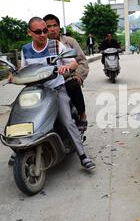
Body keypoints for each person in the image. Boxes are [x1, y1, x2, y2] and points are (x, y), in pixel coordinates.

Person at [20, 17, 95, 171]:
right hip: (35, 92)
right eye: (38, 31)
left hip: (56, 89)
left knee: (67, 120)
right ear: (29, 32)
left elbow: (73, 62)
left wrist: (66, 67)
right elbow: (23, 70)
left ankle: (82, 155)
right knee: (21, 113)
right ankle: (20, 149)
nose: (43, 34)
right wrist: (14, 75)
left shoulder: (56, 44)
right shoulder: (26, 49)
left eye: (45, 31)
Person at [43, 14, 88, 131]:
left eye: (55, 25)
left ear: (59, 27)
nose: (52, 29)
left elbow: (82, 61)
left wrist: (78, 75)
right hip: (45, 81)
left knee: (73, 84)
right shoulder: (40, 45)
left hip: (66, 78)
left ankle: (82, 115)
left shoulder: (69, 42)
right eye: (48, 26)